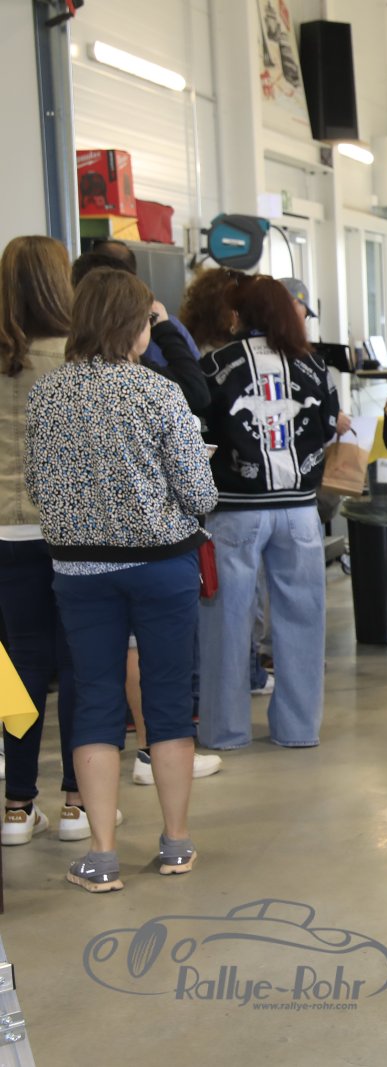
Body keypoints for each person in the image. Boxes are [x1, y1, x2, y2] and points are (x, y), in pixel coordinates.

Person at [24, 266, 217, 892]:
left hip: (79, 570)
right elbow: (200, 493)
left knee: (96, 701)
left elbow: (38, 487)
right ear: (135, 327)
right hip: (162, 567)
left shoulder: (47, 395)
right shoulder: (159, 393)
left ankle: (101, 855)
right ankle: (177, 843)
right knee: (167, 702)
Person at [195, 277, 339, 750]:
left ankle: (225, 731)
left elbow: (198, 433)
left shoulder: (215, 365)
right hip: (299, 510)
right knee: (303, 619)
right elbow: (327, 427)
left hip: (235, 510)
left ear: (238, 316)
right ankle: (299, 729)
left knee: (227, 621)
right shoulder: (313, 366)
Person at [0, 235, 84, 845]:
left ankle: (16, 805)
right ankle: (78, 802)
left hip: (5, 532)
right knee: (80, 664)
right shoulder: (77, 361)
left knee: (18, 667)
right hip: (71, 533)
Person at [70, 250, 210, 417]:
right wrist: (164, 327)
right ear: (132, 322)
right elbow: (197, 394)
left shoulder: (51, 386)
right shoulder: (156, 390)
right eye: (148, 317)